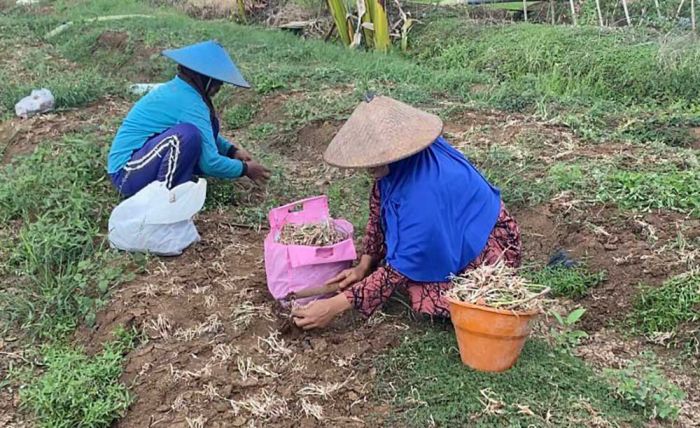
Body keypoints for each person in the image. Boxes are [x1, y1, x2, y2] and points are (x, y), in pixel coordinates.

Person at [292, 95, 522, 330]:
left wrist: (333, 306)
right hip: (450, 226)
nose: (368, 169)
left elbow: (399, 270)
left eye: (374, 163)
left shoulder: (423, 195)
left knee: (427, 296)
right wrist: (365, 264)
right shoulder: (400, 167)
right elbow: (378, 211)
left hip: (489, 243)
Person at [107, 40, 270, 197]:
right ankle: (166, 198)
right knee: (187, 135)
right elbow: (210, 163)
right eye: (218, 82)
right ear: (205, 79)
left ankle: (174, 185)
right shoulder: (190, 102)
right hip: (126, 173)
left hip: (139, 162)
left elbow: (204, 133)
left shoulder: (183, 91)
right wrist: (245, 169)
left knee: (192, 136)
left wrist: (231, 151)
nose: (219, 88)